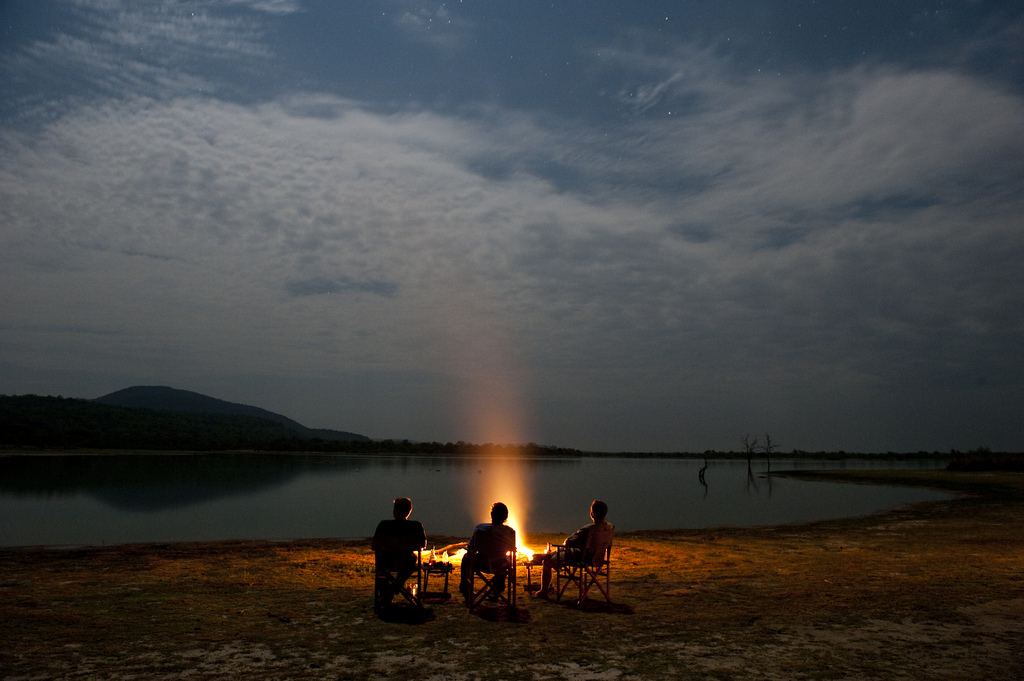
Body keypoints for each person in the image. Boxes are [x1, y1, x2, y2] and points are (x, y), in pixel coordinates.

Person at [534, 499, 612, 599]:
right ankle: (547, 555)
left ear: (592, 514)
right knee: (567, 551)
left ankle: (543, 592)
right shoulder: (609, 527)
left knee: (547, 562)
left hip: (582, 559)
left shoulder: (589, 529)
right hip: (598, 558)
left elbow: (569, 542)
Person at [372, 497, 427, 604]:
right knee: (413, 562)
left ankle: (388, 594)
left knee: (381, 569)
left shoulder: (383, 525)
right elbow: (423, 545)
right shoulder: (416, 526)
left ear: (395, 511)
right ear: (409, 511)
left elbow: (374, 546)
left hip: (387, 562)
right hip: (406, 563)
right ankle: (396, 586)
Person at [459, 501, 516, 600]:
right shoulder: (510, 532)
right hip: (499, 565)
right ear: (505, 517)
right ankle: (497, 589)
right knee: (507, 560)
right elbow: (512, 549)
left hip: (481, 563)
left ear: (491, 515)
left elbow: (471, 546)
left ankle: (466, 589)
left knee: (466, 557)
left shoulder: (480, 528)